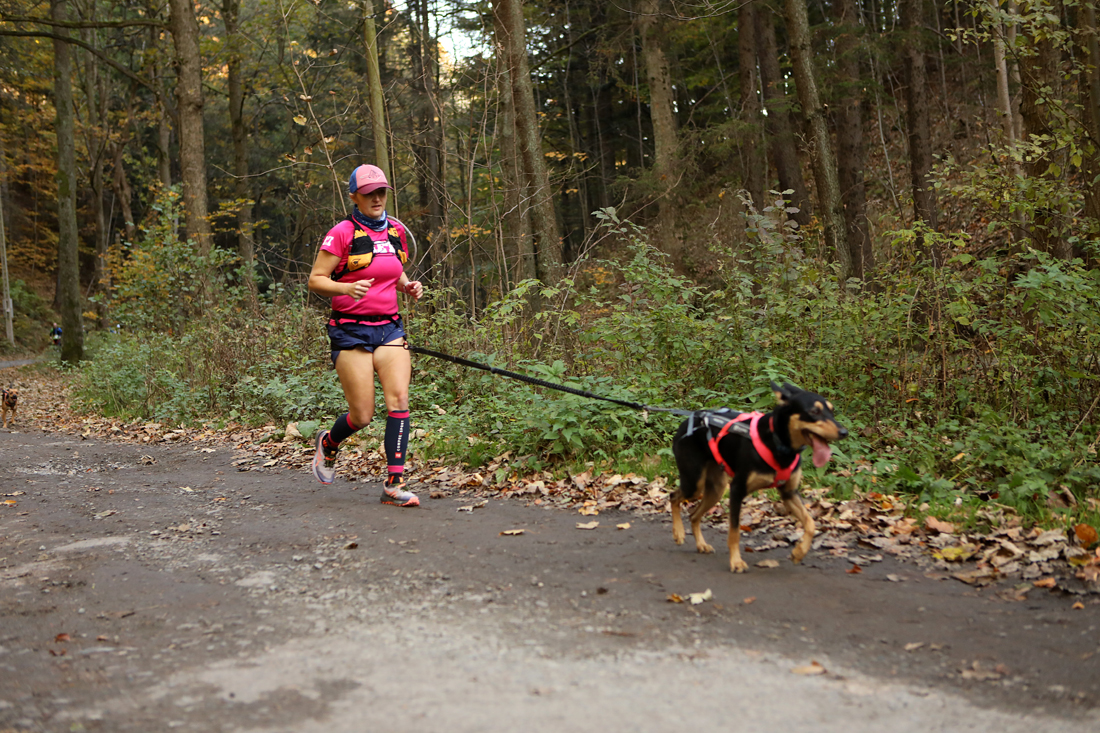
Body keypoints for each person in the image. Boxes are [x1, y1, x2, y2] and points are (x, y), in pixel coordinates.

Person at [307, 164, 424, 507]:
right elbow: (315, 280)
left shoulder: (396, 231)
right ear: (354, 196)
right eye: (369, 193)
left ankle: (394, 484)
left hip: (389, 328)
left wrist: (407, 286)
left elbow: (393, 269)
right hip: (350, 330)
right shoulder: (341, 232)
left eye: (381, 192)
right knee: (361, 415)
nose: (376, 198)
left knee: (399, 400)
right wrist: (346, 287)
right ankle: (329, 443)